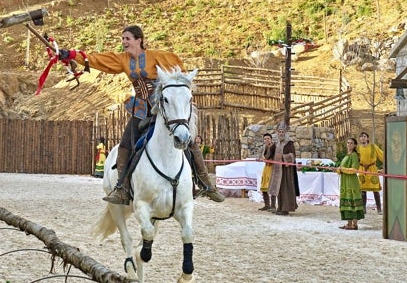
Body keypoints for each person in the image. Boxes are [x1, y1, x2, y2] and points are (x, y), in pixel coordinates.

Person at [76, 25, 224, 205]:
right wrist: (70, 55)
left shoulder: (156, 56)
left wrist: (179, 94)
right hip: (139, 108)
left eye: (127, 38)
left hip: (161, 107)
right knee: (124, 144)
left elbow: (179, 71)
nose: (124, 42)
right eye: (122, 39)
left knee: (188, 141)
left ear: (139, 40)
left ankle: (207, 185)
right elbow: (97, 60)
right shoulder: (123, 60)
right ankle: (121, 189)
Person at [268, 122, 298, 215]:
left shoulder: (289, 143)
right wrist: (268, 146)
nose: (281, 133)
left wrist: (283, 156)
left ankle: (285, 209)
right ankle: (280, 208)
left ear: (285, 133)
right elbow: (269, 154)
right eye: (279, 132)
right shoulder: (276, 144)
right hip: (277, 170)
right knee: (279, 189)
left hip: (286, 171)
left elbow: (293, 156)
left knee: (285, 189)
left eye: (282, 132)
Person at [337, 137, 365, 230]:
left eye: (351, 143)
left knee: (352, 200)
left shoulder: (354, 155)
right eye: (348, 143)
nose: (349, 145)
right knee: (347, 199)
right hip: (345, 181)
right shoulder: (347, 155)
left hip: (351, 181)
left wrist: (342, 169)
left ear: (355, 145)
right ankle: (349, 224)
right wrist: (338, 169)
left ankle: (354, 224)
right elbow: (342, 167)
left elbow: (354, 169)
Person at [356, 132, 384, 215]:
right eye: (361, 137)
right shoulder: (358, 148)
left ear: (367, 138)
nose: (363, 138)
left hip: (372, 169)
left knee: (375, 189)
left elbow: (382, 156)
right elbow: (355, 159)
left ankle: (379, 209)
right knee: (363, 190)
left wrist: (385, 166)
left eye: (364, 136)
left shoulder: (373, 147)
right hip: (362, 170)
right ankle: (363, 208)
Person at [258, 133, 275, 211]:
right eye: (265, 139)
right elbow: (262, 157)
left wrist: (266, 159)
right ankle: (267, 205)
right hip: (266, 168)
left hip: (272, 168)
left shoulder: (274, 147)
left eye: (268, 138)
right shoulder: (264, 147)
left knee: (271, 186)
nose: (266, 140)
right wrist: (261, 159)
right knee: (264, 186)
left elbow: (273, 157)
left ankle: (273, 206)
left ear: (271, 139)